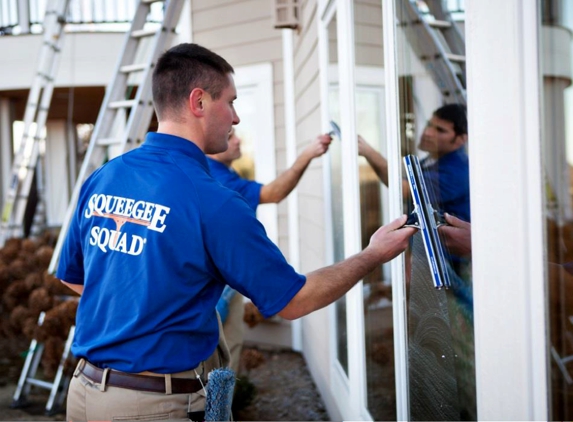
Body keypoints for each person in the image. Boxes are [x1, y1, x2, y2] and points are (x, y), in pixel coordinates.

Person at [56, 43, 416, 421]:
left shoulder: (105, 176)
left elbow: (76, 279)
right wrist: (373, 254)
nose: (237, 118)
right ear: (199, 102)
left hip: (84, 394)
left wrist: (151, 309)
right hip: (151, 406)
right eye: (231, 102)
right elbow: (294, 301)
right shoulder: (213, 200)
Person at [208, 128, 332, 374]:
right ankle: (213, 411)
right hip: (217, 285)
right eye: (230, 135)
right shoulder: (217, 178)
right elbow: (274, 193)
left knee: (230, 347)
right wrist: (307, 155)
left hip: (227, 281)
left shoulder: (222, 171)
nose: (237, 139)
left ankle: (224, 408)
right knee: (215, 356)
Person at [358, 103, 470, 222]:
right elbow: (401, 178)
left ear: (461, 139)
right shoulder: (433, 159)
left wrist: (368, 152)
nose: (428, 132)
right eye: (429, 125)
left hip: (446, 240)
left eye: (440, 130)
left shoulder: (457, 171)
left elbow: (404, 190)